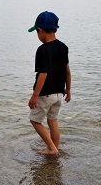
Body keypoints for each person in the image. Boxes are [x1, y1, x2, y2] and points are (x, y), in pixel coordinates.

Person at [27, 11, 71, 155]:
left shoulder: (42, 50)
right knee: (53, 120)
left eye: (37, 32)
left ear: (40, 30)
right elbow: (67, 71)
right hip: (59, 93)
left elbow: (43, 74)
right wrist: (68, 90)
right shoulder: (63, 47)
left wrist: (35, 95)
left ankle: (52, 148)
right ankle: (54, 148)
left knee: (35, 120)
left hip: (45, 94)